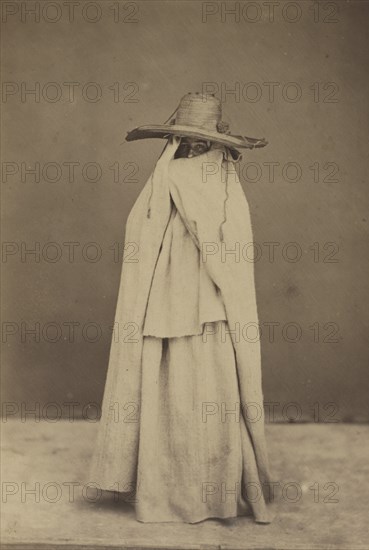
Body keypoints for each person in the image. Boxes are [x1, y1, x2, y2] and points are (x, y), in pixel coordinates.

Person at [89, 93, 275, 523]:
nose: (194, 149)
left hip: (207, 300)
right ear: (177, 141)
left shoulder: (210, 178)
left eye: (199, 141)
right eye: (186, 141)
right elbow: (145, 229)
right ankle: (173, 490)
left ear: (212, 140)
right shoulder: (176, 176)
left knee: (212, 389)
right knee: (176, 388)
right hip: (170, 298)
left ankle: (209, 493)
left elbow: (229, 242)